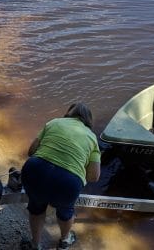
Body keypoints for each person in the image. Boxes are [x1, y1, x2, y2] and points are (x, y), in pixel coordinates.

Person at [20, 103, 101, 250]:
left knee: (36, 207)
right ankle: (64, 241)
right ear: (88, 120)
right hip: (67, 182)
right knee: (65, 211)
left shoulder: (54, 122)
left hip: (35, 169)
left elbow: (31, 151)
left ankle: (35, 244)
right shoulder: (92, 138)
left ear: (69, 114)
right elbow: (94, 176)